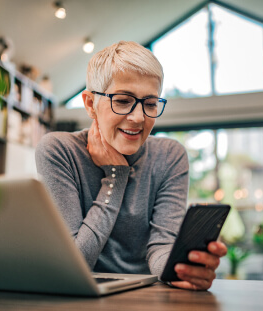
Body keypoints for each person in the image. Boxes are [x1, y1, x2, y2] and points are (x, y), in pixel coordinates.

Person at [35, 41, 227, 290]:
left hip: (146, 298)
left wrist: (180, 268)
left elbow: (160, 247)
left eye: (150, 104)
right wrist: (116, 176)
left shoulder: (169, 156)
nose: (138, 118)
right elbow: (75, 263)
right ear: (91, 104)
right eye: (123, 100)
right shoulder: (59, 151)